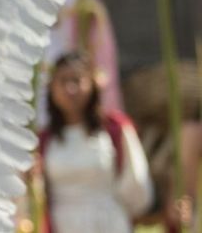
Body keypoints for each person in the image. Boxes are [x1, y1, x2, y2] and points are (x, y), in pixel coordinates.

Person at [39, 51, 153, 232]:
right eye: (63, 81)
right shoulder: (43, 140)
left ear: (92, 83)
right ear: (52, 88)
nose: (70, 89)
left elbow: (136, 180)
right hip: (62, 225)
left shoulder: (115, 129)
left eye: (77, 80)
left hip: (109, 223)